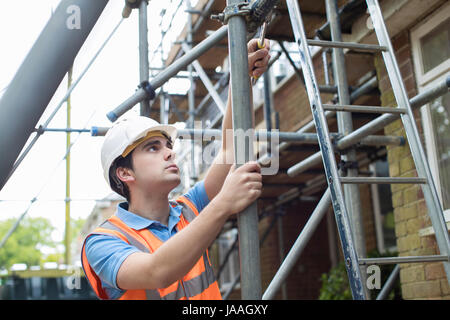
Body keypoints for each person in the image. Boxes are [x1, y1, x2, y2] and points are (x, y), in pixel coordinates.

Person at [81, 38, 271, 300]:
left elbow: (231, 151)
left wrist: (242, 78)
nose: (170, 152)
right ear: (125, 173)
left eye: (167, 145)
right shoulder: (103, 241)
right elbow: (156, 271)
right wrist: (223, 203)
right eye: (152, 148)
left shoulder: (188, 209)